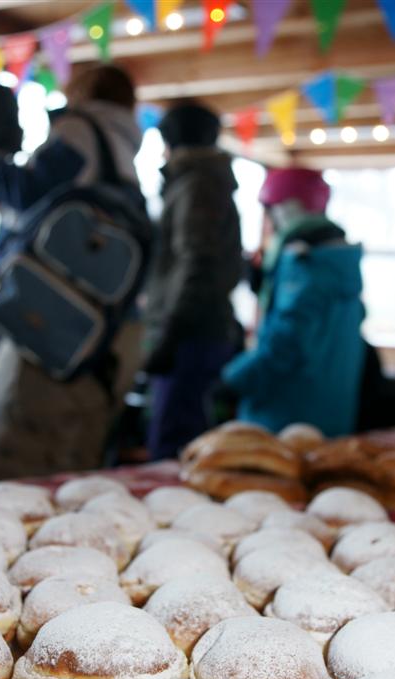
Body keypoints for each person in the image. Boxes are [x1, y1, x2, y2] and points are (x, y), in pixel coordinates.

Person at [0, 64, 147, 479]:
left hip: (49, 342)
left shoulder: (80, 131)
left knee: (18, 474)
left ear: (83, 89)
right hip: (104, 340)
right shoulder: (124, 152)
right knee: (73, 469)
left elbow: (25, 195)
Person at [221, 167, 365, 437]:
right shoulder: (338, 263)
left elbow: (284, 345)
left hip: (284, 419)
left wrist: (231, 380)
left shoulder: (304, 267)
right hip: (330, 413)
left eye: (270, 210)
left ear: (287, 208)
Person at [143, 101, 242, 459]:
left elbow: (198, 261)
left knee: (174, 446)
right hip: (200, 329)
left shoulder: (197, 184)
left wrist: (171, 334)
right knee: (184, 436)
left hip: (190, 333)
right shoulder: (206, 181)